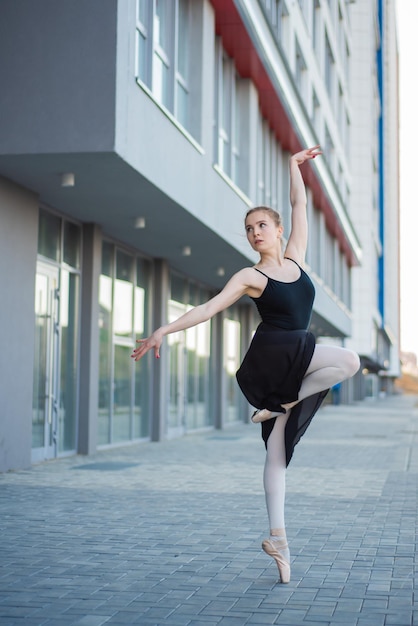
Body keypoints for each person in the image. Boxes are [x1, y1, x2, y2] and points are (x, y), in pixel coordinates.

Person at [131, 145, 360, 584]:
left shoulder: (296, 258)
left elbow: (299, 205)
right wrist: (164, 329)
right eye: (249, 228)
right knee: (347, 358)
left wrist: (294, 167)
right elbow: (208, 308)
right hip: (274, 356)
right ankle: (280, 401)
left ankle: (280, 541)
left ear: (277, 231)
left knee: (278, 454)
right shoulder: (251, 277)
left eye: (261, 226)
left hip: (294, 361)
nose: (255, 232)